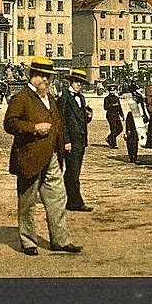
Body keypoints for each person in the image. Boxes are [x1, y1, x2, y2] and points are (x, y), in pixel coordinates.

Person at [2, 56, 80, 256]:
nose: (46, 80)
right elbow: (10, 124)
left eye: (48, 77)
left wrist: (63, 143)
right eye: (43, 76)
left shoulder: (50, 98)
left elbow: (58, 123)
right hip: (29, 157)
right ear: (33, 76)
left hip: (52, 155)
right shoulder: (21, 98)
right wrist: (33, 128)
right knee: (27, 201)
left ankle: (60, 240)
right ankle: (28, 241)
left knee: (58, 198)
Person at [57, 68, 93, 212]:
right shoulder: (64, 98)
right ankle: (75, 202)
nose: (79, 85)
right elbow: (61, 121)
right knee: (73, 172)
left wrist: (88, 115)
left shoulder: (81, 98)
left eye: (81, 83)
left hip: (80, 140)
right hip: (70, 141)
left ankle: (68, 199)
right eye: (77, 82)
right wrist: (66, 141)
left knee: (73, 171)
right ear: (71, 82)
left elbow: (81, 119)